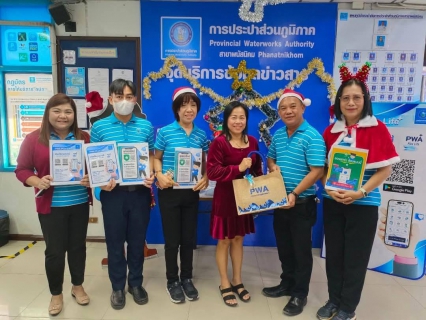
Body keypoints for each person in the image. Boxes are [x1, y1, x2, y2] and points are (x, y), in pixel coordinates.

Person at [317, 63, 399, 320]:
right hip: (333, 201)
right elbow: (322, 168)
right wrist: (327, 188)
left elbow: (385, 170)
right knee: (335, 256)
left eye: (356, 98)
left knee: (355, 258)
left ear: (365, 100)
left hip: (363, 204)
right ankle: (333, 299)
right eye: (346, 98)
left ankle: (348, 307)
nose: (351, 103)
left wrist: (360, 192)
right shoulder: (331, 131)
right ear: (339, 101)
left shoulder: (378, 129)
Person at [15, 93, 92, 316]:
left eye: (68, 111)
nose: (62, 116)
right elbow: (22, 170)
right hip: (51, 206)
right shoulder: (34, 140)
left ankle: (77, 286)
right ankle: (56, 294)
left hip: (78, 203)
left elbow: (95, 166)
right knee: (55, 252)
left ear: (74, 115)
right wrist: (37, 181)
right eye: (57, 111)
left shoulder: (83, 138)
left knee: (78, 248)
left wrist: (90, 177)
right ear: (48, 113)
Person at [90, 79, 155, 310]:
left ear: (135, 99)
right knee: (115, 242)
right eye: (119, 97)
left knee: (137, 241)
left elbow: (150, 158)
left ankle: (135, 283)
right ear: (111, 100)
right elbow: (94, 163)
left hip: (139, 193)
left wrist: (151, 175)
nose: (124, 101)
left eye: (129, 96)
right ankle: (117, 286)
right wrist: (100, 187)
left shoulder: (146, 127)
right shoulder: (99, 127)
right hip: (112, 194)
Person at [262, 89, 326, 317]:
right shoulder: (279, 134)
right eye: (283, 108)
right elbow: (270, 156)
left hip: (301, 203)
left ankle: (300, 293)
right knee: (284, 247)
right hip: (280, 201)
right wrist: (272, 166)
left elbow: (317, 170)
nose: (288, 111)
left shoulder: (312, 136)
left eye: (292, 106)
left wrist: (295, 193)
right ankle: (286, 284)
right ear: (278, 112)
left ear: (302, 108)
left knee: (300, 251)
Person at [154, 87, 209, 304]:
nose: (189, 109)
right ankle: (172, 280)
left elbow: (205, 162)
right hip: (169, 192)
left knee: (188, 239)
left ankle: (186, 278)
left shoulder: (201, 134)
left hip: (191, 193)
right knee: (172, 240)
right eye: (184, 105)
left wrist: (205, 176)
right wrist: (158, 174)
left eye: (193, 105)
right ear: (176, 109)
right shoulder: (166, 132)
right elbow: (155, 158)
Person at [207, 101, 262, 307]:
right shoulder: (219, 143)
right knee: (225, 240)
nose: (238, 121)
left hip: (245, 198)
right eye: (234, 117)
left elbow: (256, 171)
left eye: (242, 117)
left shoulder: (253, 142)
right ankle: (224, 282)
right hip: (225, 198)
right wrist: (238, 168)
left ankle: (237, 280)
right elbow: (213, 172)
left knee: (238, 239)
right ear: (227, 120)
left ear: (246, 120)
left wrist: (265, 180)